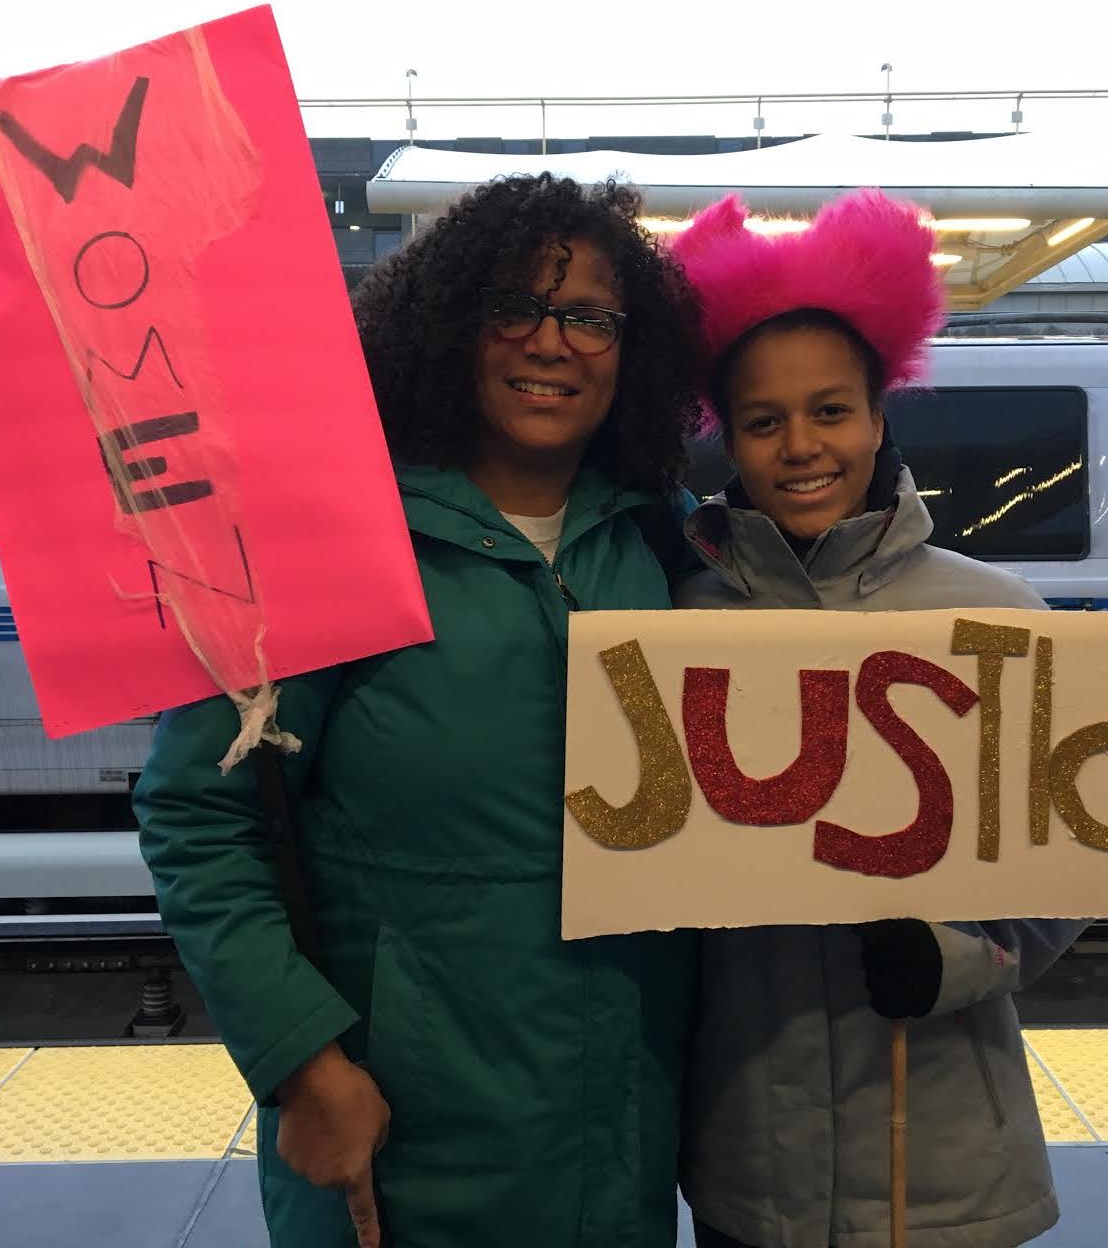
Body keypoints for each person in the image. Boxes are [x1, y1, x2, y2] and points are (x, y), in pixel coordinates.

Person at [133, 173, 704, 1248]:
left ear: (632, 350)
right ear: (450, 326)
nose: (550, 341)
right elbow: (197, 813)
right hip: (394, 1144)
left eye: (588, 316)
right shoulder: (327, 542)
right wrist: (301, 1065)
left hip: (619, 1136)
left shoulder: (661, 544)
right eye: (512, 306)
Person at [668, 190, 1086, 1248]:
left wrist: (958, 956)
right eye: (763, 421)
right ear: (730, 439)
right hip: (747, 1172)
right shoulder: (675, 628)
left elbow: (1070, 877)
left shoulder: (997, 616)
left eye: (830, 409)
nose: (800, 445)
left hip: (947, 1177)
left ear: (879, 414)